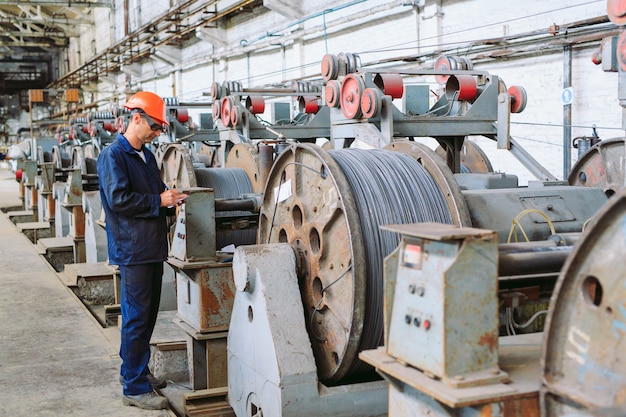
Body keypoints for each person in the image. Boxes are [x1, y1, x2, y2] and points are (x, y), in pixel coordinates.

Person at [97, 91, 187, 410]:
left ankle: (136, 372)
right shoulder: (113, 157)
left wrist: (170, 199)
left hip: (152, 248)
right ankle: (134, 388)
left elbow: (156, 192)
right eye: (155, 126)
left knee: (146, 317)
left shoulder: (146, 157)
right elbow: (118, 201)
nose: (158, 133)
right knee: (135, 318)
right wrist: (158, 202)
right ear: (136, 118)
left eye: (160, 128)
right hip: (133, 250)